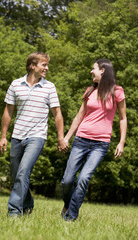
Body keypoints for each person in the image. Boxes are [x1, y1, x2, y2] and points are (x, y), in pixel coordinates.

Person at [0, 52, 68, 217]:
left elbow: (57, 114)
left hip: (37, 136)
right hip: (17, 136)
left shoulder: (49, 87)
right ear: (32, 66)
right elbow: (8, 112)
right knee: (16, 174)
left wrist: (60, 137)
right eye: (43, 65)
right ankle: (28, 203)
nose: (47, 68)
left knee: (23, 172)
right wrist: (3, 136)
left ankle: (14, 212)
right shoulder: (15, 84)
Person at [61, 59, 127, 221]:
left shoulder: (117, 92)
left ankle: (70, 218)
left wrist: (121, 142)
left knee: (83, 179)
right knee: (67, 180)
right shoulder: (89, 91)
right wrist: (66, 138)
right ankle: (68, 205)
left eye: (94, 69)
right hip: (80, 140)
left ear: (103, 70)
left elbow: (123, 118)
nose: (91, 71)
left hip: (100, 144)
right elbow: (79, 115)